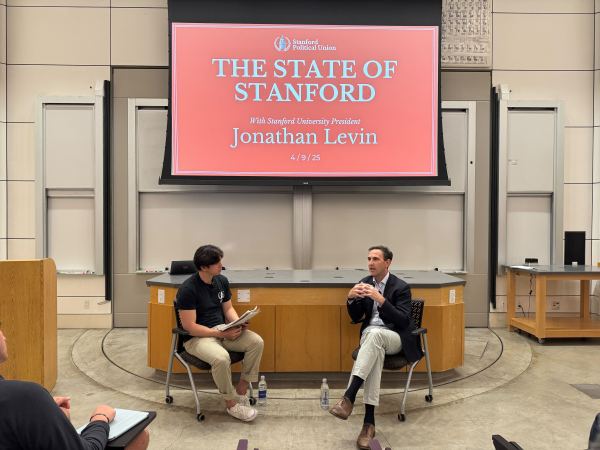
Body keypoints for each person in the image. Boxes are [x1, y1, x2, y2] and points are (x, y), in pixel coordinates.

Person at [329, 245, 422, 450]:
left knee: (375, 336)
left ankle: (349, 396)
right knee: (374, 344)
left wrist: (380, 300)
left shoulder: (401, 287)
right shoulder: (364, 282)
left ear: (387, 263)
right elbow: (356, 317)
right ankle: (368, 424)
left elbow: (403, 321)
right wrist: (351, 298)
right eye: (369, 259)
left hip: (395, 337)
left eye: (375, 259)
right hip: (372, 339)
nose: (370, 263)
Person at [0, 325, 149, 450]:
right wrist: (100, 419)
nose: (4, 336)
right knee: (140, 436)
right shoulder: (25, 397)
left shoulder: (18, 399)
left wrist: (44, 412)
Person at [177, 244, 264, 422]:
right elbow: (190, 326)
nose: (221, 265)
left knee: (256, 342)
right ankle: (231, 404)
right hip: (197, 338)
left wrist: (237, 322)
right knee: (222, 359)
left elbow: (228, 308)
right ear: (203, 267)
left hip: (222, 330)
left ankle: (241, 388)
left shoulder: (221, 281)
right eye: (216, 263)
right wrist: (220, 334)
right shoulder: (188, 289)